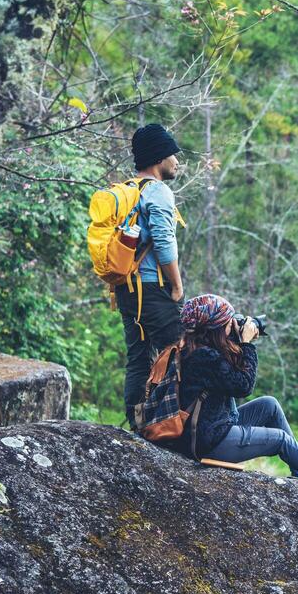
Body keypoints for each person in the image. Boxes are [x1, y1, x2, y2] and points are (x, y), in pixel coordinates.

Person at [174, 293, 298, 497]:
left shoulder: (198, 349)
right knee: (280, 439)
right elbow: (244, 386)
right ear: (216, 327)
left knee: (268, 405)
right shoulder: (204, 356)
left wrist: (238, 342)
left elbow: (230, 376)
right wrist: (247, 345)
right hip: (208, 442)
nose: (232, 324)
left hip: (210, 426)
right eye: (229, 321)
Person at [117, 123, 186, 423]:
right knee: (183, 350)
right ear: (159, 157)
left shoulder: (130, 190)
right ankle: (180, 424)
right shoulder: (158, 191)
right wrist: (177, 286)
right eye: (173, 154)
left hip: (127, 289)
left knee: (139, 357)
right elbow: (163, 241)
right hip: (153, 289)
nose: (177, 161)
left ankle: (137, 425)